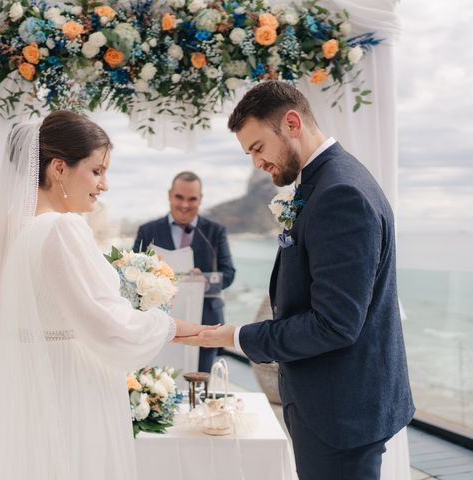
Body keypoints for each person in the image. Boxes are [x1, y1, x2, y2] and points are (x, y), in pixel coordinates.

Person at [0, 111, 207, 480]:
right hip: (68, 387)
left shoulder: (12, 229)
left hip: (21, 384)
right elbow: (107, 323)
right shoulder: (63, 228)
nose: (104, 184)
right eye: (97, 171)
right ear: (59, 168)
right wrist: (174, 326)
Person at [174, 81, 415, 479]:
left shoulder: (340, 193)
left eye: (257, 148)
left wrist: (234, 337)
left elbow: (334, 324)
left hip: (341, 413)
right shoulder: (327, 179)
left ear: (291, 123)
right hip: (335, 405)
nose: (256, 163)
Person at [133, 172, 235, 372]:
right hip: (160, 320)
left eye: (192, 199)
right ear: (170, 195)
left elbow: (229, 274)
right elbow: (134, 273)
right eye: (179, 197)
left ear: (200, 199)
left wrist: (203, 281)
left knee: (200, 385)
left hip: (205, 321)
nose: (185, 205)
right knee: (160, 383)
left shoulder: (216, 231)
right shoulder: (147, 231)